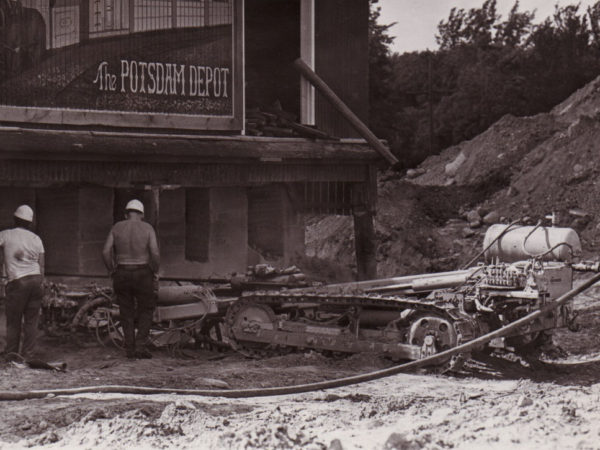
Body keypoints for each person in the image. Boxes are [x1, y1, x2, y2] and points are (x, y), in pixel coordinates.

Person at [102, 199, 160, 359]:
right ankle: (141, 346)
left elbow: (106, 251)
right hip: (143, 272)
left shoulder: (117, 227)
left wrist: (111, 270)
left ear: (126, 214)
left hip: (122, 272)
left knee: (125, 311)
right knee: (146, 310)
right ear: (142, 214)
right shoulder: (147, 228)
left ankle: (130, 349)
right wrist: (155, 270)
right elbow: (155, 253)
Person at [0, 205, 45, 361]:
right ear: (30, 223)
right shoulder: (36, 239)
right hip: (36, 281)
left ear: (15, 219)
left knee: (14, 321)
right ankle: (28, 355)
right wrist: (41, 283)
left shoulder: (6, 235)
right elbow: (42, 265)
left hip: (18, 283)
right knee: (31, 321)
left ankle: (12, 355)